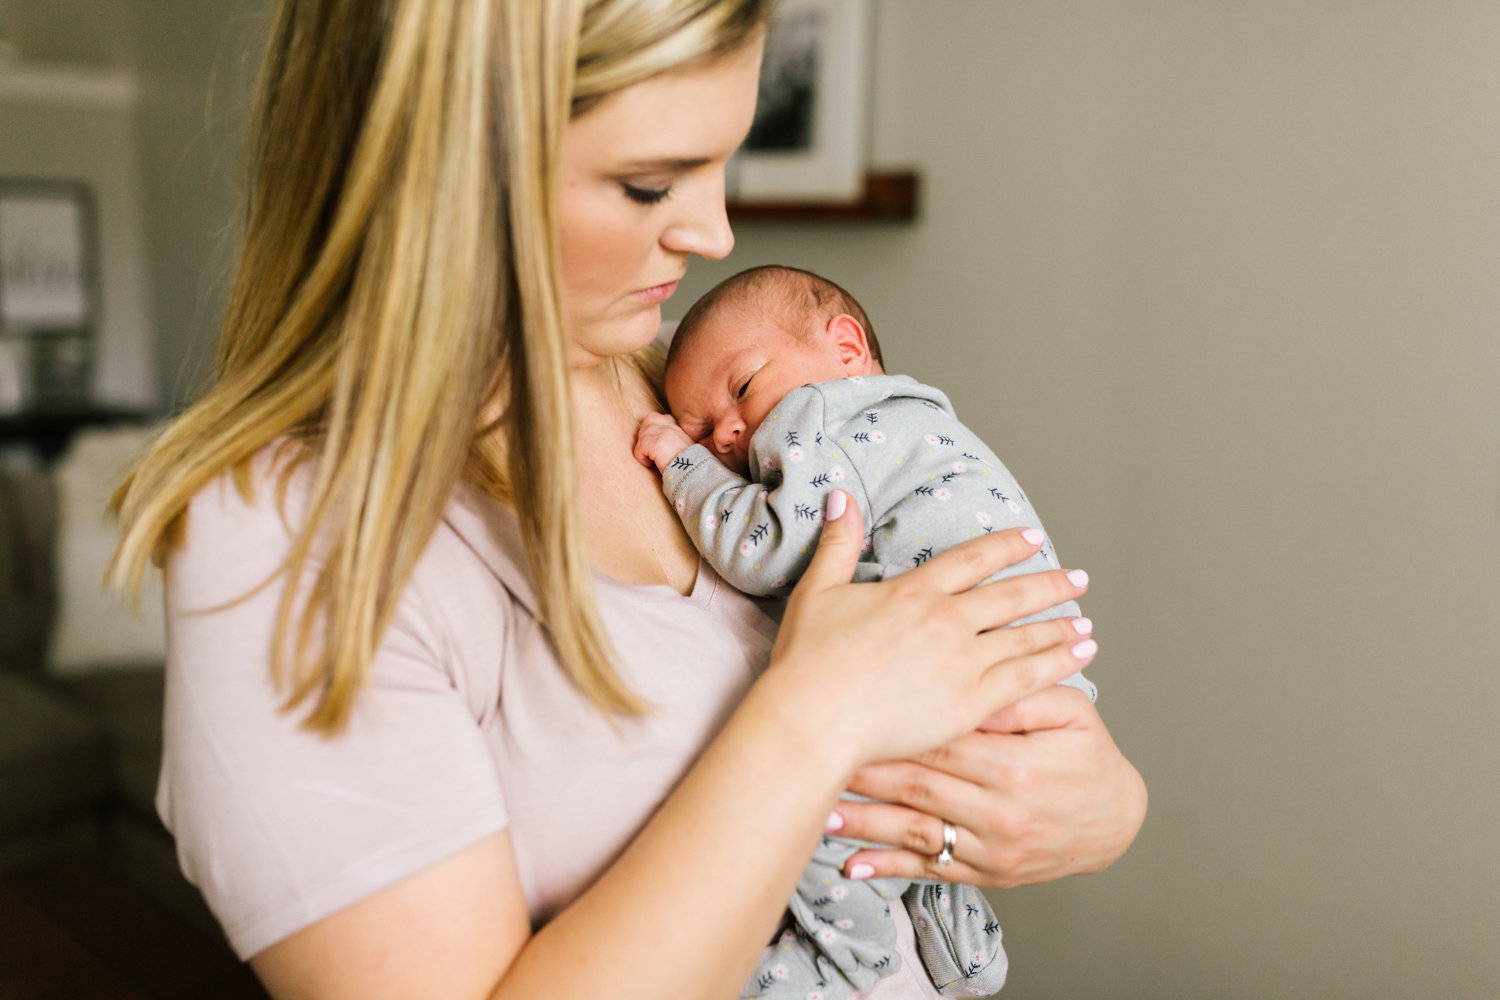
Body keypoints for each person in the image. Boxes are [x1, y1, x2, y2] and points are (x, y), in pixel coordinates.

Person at [108, 2, 1147, 998]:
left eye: (721, 162)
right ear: (451, 165)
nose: (714, 233)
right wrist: (813, 713)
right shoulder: (289, 544)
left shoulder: (687, 401)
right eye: (652, 185)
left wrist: (1098, 806)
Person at [634, 265, 1096, 997]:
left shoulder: (826, 419)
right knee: (918, 816)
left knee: (821, 833)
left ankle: (852, 964)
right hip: (1032, 683)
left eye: (743, 387)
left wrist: (685, 464)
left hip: (970, 679)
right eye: (701, 430)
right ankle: (964, 952)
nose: (726, 432)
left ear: (847, 349)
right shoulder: (918, 427)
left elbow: (769, 549)